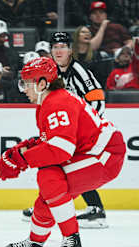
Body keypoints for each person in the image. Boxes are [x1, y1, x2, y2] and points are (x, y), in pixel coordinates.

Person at [0, 57, 126, 247]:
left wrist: (23, 159)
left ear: (42, 83)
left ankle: (72, 243)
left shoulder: (57, 103)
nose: (24, 90)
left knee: (48, 177)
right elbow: (56, 140)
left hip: (105, 156)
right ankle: (35, 243)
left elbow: (60, 150)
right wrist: (25, 149)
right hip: (91, 152)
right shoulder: (48, 102)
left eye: (27, 83)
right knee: (48, 197)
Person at [22, 32, 108, 228]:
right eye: (55, 47)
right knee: (59, 167)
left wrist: (83, 129)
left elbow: (97, 100)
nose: (58, 50)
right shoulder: (53, 73)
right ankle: (53, 206)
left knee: (65, 166)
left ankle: (94, 208)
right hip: (69, 127)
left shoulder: (79, 71)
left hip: (85, 131)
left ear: (71, 50)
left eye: (63, 46)